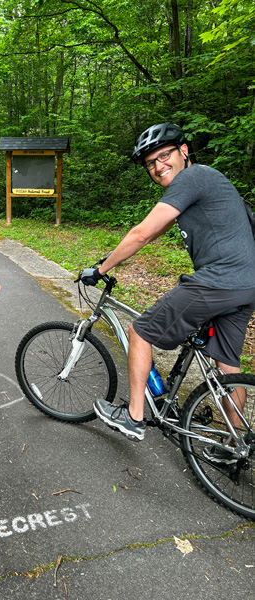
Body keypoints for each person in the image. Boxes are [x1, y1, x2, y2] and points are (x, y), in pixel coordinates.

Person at [81, 122, 255, 458]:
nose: (159, 166)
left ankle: (133, 417)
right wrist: (113, 258)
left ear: (184, 151)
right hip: (246, 284)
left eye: (164, 156)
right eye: (151, 163)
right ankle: (237, 445)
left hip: (220, 280)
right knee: (227, 367)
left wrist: (100, 269)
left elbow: (141, 233)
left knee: (140, 331)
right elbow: (156, 230)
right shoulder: (205, 179)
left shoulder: (191, 178)